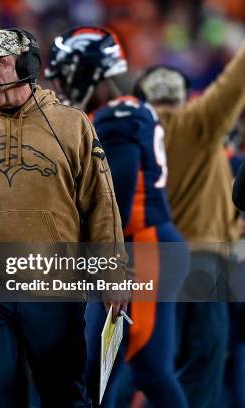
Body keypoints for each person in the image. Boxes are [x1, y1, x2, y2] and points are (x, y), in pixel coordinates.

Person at [0, 28, 128, 407]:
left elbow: (101, 204)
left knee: (62, 393)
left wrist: (111, 271)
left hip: (51, 281)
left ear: (29, 65)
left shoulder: (72, 124)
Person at [46, 26, 189, 407]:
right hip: (142, 246)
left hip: (142, 247)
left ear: (86, 71)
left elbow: (116, 200)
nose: (60, 84)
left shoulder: (119, 116)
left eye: (64, 75)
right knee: (121, 368)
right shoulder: (122, 112)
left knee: (133, 368)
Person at [133, 43, 245, 407]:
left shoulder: (127, 135)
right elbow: (234, 81)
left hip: (149, 266)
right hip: (204, 265)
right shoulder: (198, 124)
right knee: (205, 371)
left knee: (153, 372)